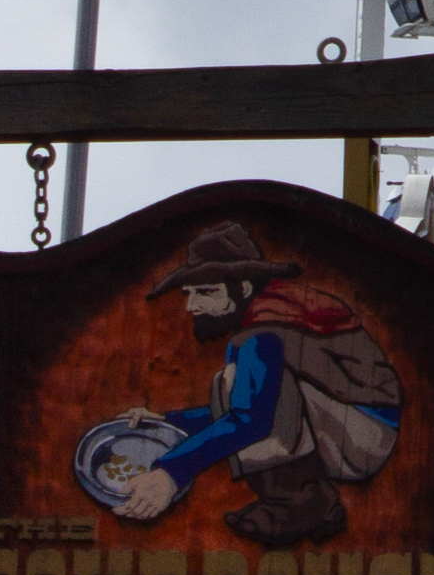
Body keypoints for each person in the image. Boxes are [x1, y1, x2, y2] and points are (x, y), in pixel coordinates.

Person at [73, 221, 405, 545]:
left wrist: (170, 473)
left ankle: (299, 503)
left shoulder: (267, 330)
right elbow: (250, 407)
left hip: (363, 438)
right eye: (189, 293)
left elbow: (251, 417)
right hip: (344, 427)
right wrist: (169, 422)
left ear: (243, 288)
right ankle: (307, 499)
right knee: (236, 386)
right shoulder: (275, 309)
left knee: (232, 382)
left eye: (206, 292)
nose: (192, 305)